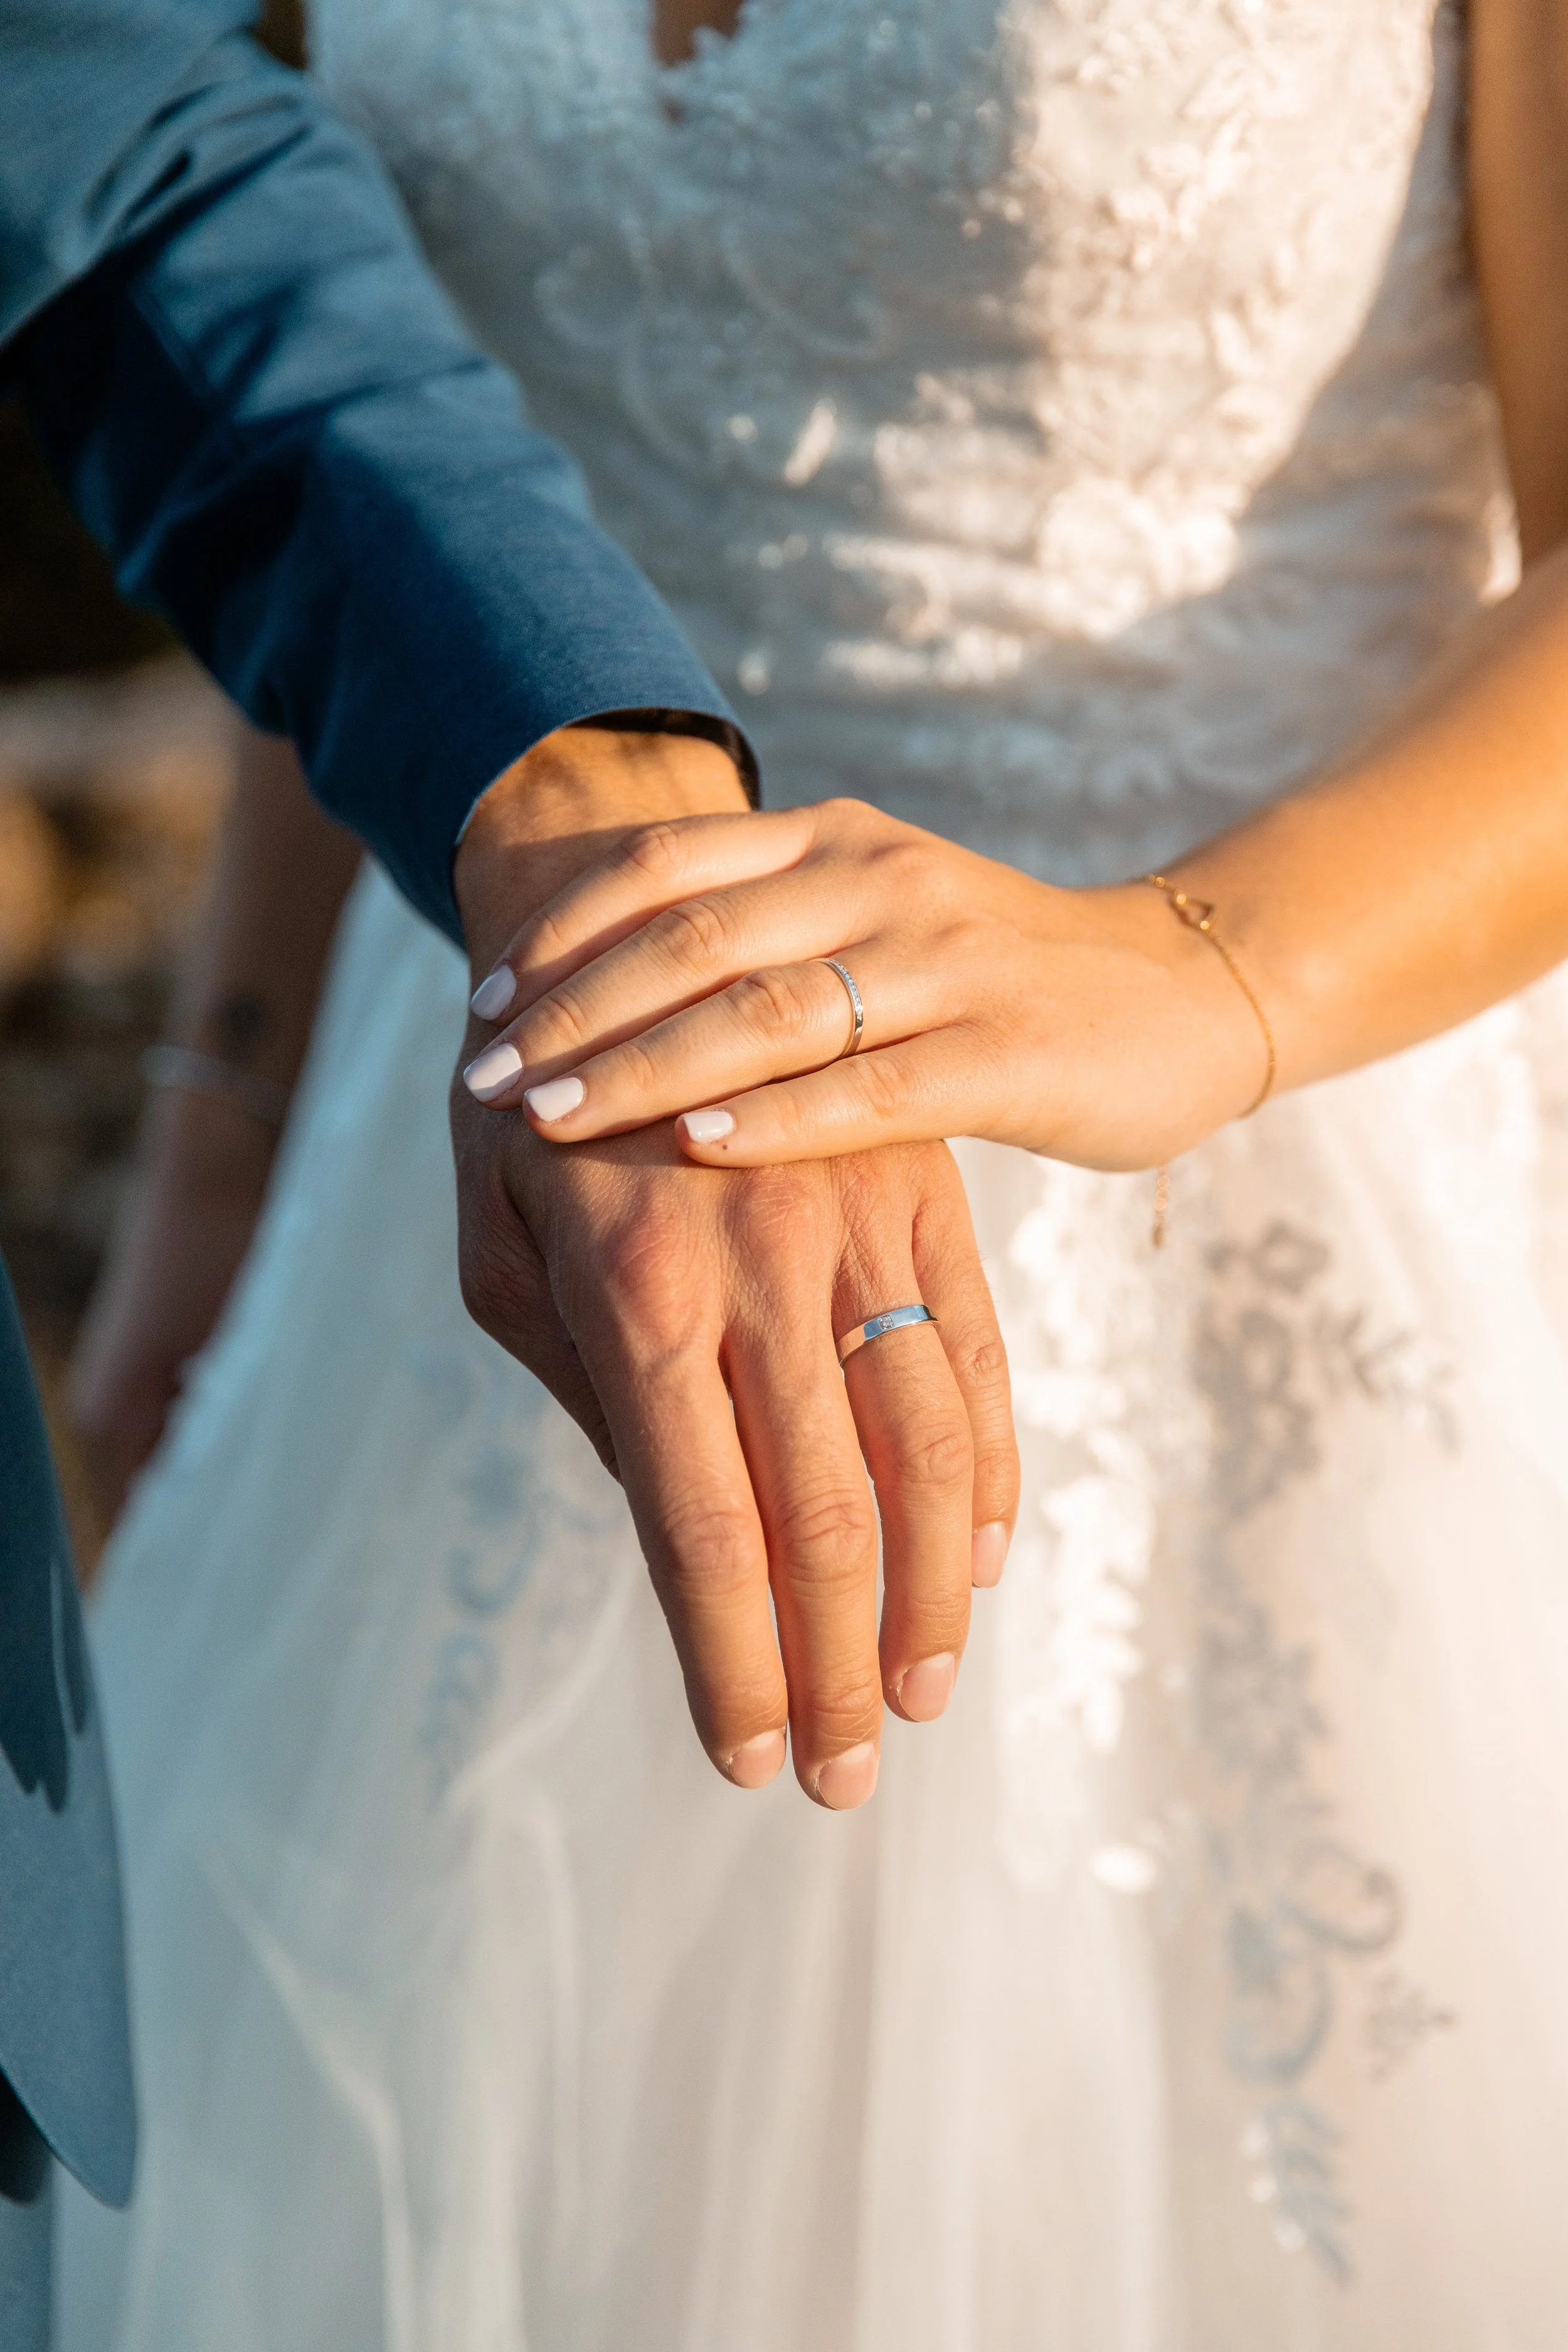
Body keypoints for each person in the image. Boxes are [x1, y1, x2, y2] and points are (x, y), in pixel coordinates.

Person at [53, 0, 1568, 2341]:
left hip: (1248, 1155)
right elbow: (380, 455)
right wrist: (218, 1138)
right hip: (498, 1210)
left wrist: (1200, 972)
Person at [3, 1, 1009, 2343]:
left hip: (1018, 1100)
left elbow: (123, 168)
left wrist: (599, 827)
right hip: (476, 1085)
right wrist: (227, 1136)